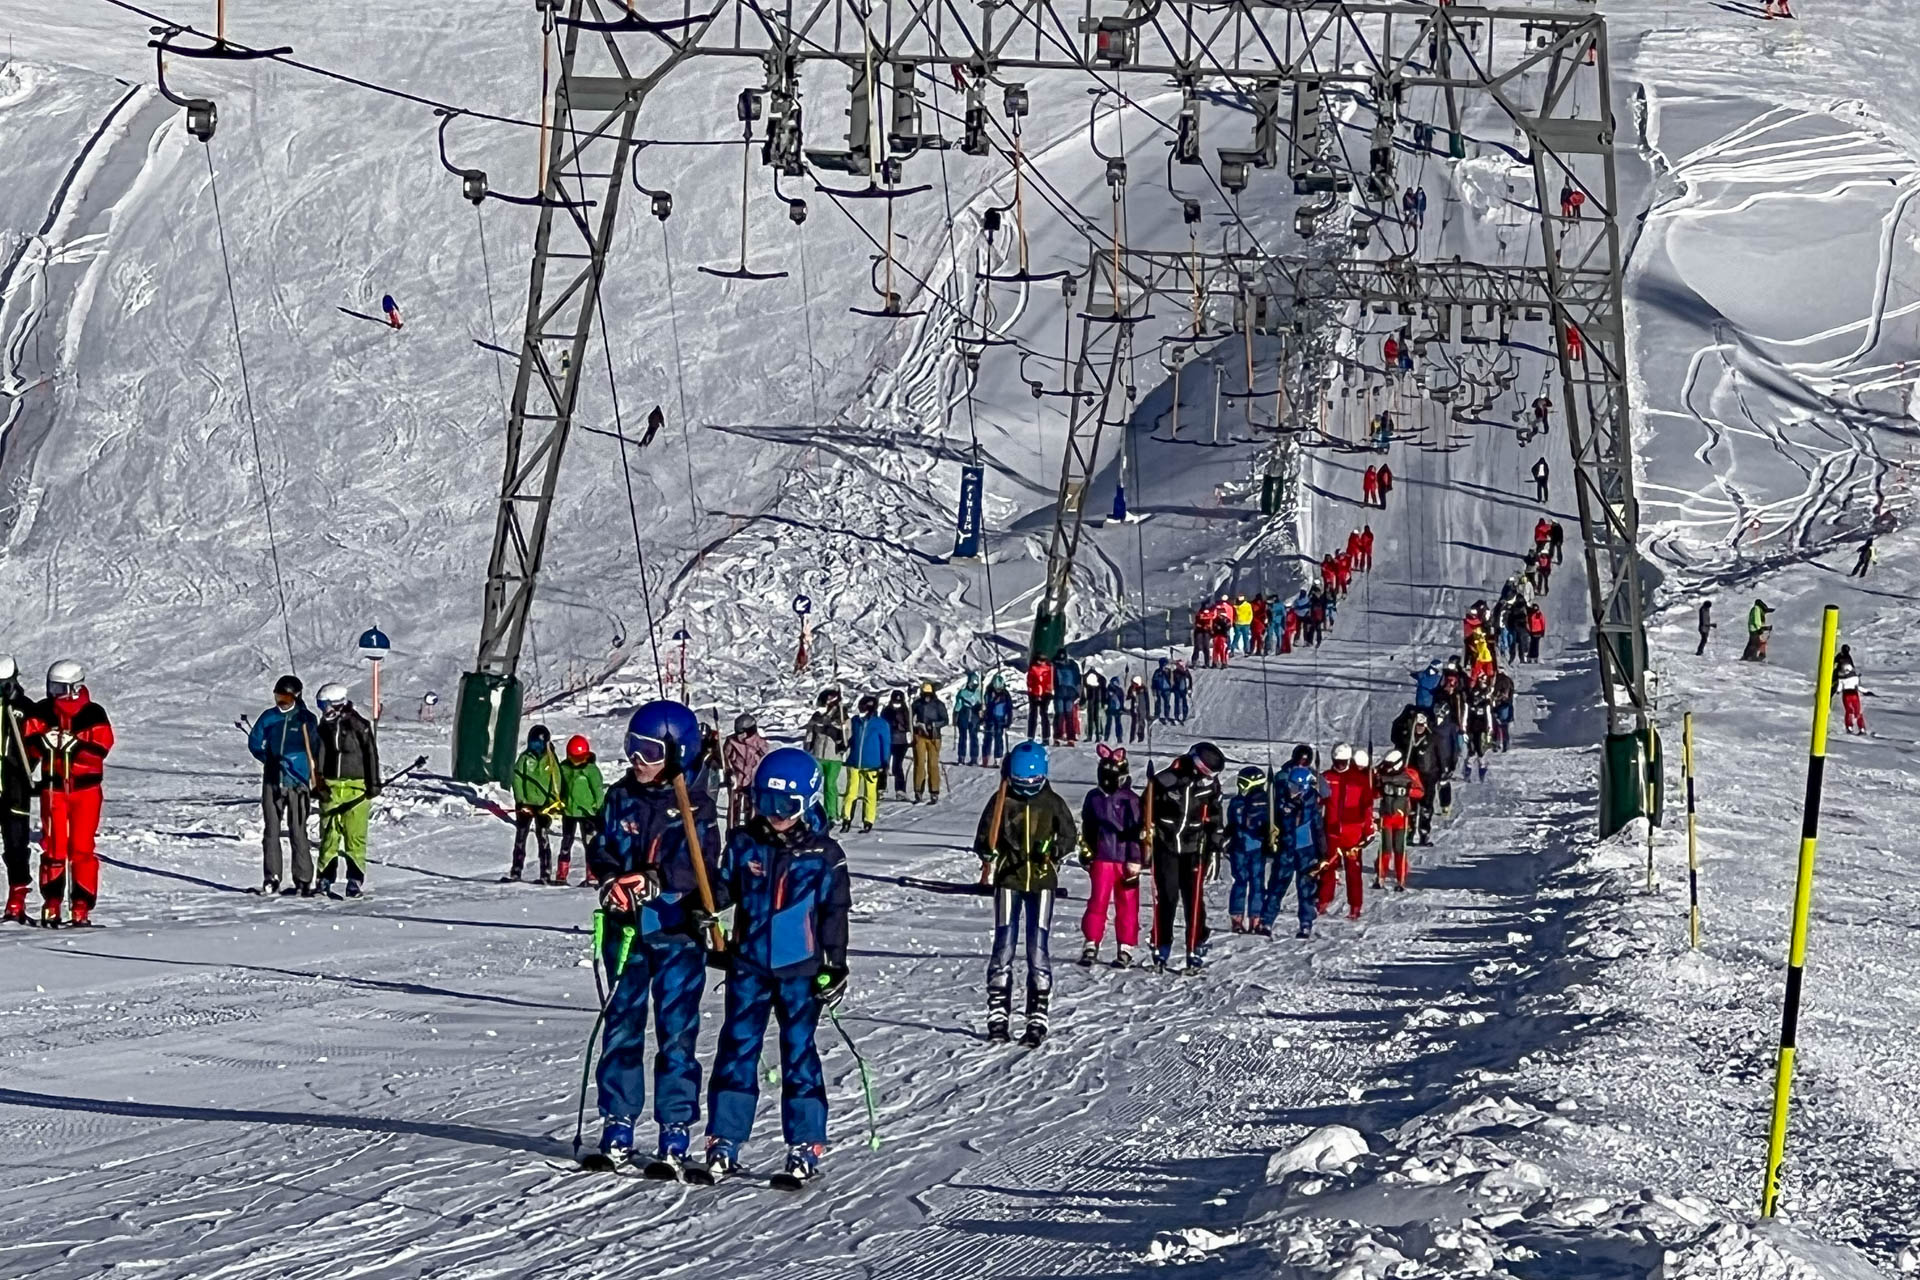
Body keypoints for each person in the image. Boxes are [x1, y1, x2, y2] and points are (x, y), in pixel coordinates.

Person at [703, 747, 851, 1184]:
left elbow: (834, 912)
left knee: (798, 1051)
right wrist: (704, 906)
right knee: (736, 1048)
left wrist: (835, 965)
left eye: (786, 807)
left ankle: (804, 1143)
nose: (775, 816)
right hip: (749, 964)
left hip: (800, 970)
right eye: (766, 804)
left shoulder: (824, 853)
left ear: (807, 804)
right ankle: (724, 1139)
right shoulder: (745, 842)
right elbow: (724, 888)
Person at [590, 699, 726, 1170]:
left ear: (676, 752)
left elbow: (701, 866)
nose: (637, 760)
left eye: (649, 751)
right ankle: (618, 1122)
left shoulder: (694, 805)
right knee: (622, 1024)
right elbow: (603, 847)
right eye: (633, 747)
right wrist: (610, 880)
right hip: (626, 932)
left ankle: (674, 1128)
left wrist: (656, 880)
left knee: (676, 1034)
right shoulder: (619, 797)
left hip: (675, 934)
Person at [975, 740, 1076, 1044]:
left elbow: (1070, 835)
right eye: (1021, 783)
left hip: (1043, 881)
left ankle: (1038, 1012)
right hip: (1009, 879)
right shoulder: (1002, 800)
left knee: (1037, 946)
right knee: (1004, 943)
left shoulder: (1051, 802)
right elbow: (983, 836)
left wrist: (1055, 850)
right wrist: (988, 852)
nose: (1027, 789)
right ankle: (997, 1011)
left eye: (1032, 782)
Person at [24, 661, 112, 927]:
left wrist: (75, 747)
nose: (54, 693)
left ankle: (81, 905)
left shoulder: (92, 713)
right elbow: (28, 744)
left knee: (82, 848)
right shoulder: (43, 711)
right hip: (54, 790)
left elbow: (101, 748)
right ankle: (52, 901)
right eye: (52, 687)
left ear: (75, 687)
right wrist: (41, 742)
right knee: (53, 846)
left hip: (85, 790)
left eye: (60, 688)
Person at [1147, 741, 1226, 971]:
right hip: (1167, 847)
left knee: (1193, 900)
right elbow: (1146, 807)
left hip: (1194, 849)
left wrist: (1215, 847)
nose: (1208, 778)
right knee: (1168, 897)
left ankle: (1195, 946)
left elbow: (1215, 817)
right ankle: (1161, 946)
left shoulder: (1210, 787)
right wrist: (1147, 830)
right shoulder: (1165, 780)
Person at [248, 674, 320, 897]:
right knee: (271, 830)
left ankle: (304, 879)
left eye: (286, 697)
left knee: (298, 831)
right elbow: (254, 741)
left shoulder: (306, 719)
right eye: (278, 696)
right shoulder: (269, 717)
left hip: (297, 780)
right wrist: (267, 759)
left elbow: (315, 748)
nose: (281, 701)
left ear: (296, 696)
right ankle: (272, 877)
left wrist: (309, 771)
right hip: (272, 780)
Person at [1078, 744, 1143, 967]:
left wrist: (1135, 859)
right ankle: (1091, 942)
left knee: (1127, 903)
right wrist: (1087, 851)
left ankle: (1125, 946)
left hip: (1125, 858)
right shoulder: (1094, 797)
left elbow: (1136, 831)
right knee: (1098, 900)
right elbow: (1088, 825)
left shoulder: (1130, 799)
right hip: (1102, 857)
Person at [314, 683, 380, 897]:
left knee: (354, 836)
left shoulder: (358, 725)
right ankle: (324, 878)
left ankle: (355, 879)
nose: (322, 711)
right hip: (332, 787)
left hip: (356, 787)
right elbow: (319, 757)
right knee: (329, 835)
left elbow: (371, 754)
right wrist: (319, 784)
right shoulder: (324, 727)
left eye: (323, 705)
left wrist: (373, 783)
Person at [1269, 746, 1326, 938]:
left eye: (1295, 788)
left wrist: (1322, 852)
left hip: (1306, 851)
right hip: (1286, 848)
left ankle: (1306, 923)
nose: (1291, 791)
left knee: (1305, 889)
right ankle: (1267, 921)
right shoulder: (1283, 792)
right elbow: (1274, 817)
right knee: (1277, 885)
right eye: (1290, 787)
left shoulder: (1311, 803)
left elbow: (1318, 829)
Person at [1320, 744, 1373, 920]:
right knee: (1328, 866)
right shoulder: (1327, 778)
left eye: (1343, 762)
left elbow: (1367, 806)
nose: (1340, 765)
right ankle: (1323, 900)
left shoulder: (1359, 779)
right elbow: (1318, 802)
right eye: (1337, 762)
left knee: (1353, 871)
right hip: (1332, 829)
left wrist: (1368, 829)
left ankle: (1355, 905)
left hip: (1353, 832)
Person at [0, 658, 35, 924]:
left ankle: (17, 898)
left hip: (15, 787)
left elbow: (38, 746)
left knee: (16, 844)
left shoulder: (25, 709)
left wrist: (24, 769)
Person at [508, 724, 564, 883]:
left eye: (539, 744)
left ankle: (545, 873)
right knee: (520, 839)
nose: (535, 747)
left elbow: (556, 782)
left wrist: (552, 803)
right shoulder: (525, 759)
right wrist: (521, 801)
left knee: (543, 838)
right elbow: (517, 779)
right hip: (526, 805)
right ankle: (516, 871)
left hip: (544, 806)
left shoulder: (551, 761)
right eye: (532, 743)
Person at [1226, 766, 1273, 934]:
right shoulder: (1236, 802)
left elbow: (1270, 824)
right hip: (1239, 848)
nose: (1240, 786)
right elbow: (1231, 824)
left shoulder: (1265, 802)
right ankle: (1237, 919)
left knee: (1257, 883)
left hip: (1257, 848)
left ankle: (1256, 918)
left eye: (1243, 783)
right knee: (1240, 881)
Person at [557, 734, 606, 887]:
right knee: (566, 842)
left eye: (581, 758)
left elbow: (598, 791)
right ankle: (561, 874)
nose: (579, 762)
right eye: (575, 758)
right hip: (569, 812)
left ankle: (592, 874)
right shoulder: (564, 768)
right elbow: (559, 786)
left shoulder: (591, 770)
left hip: (587, 814)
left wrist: (598, 808)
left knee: (590, 844)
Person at [1374, 749, 1423, 889]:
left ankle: (1400, 878)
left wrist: (1407, 791)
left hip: (1401, 817)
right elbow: (1375, 793)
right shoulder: (1382, 775)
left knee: (1399, 848)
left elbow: (1420, 792)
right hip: (1386, 816)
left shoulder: (1409, 775)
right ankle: (1380, 875)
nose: (1387, 768)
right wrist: (1376, 785)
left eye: (1390, 765)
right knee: (1385, 847)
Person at [841, 695, 890, 833]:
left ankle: (868, 820)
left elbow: (885, 744)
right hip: (855, 762)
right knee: (851, 792)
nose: (861, 710)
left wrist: (885, 762)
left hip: (873, 764)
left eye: (863, 707)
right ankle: (846, 819)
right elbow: (849, 737)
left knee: (870, 794)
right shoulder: (855, 721)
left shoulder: (881, 724)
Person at [722, 714, 771, 832]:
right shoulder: (731, 741)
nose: (740, 736)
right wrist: (728, 771)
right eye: (738, 733)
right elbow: (724, 758)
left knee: (752, 807)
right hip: (736, 779)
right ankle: (732, 831)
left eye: (743, 733)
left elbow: (766, 760)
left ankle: (751, 831)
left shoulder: (760, 743)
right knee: (734, 807)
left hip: (752, 780)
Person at [804, 689, 848, 820]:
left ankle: (832, 813)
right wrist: (807, 748)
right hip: (818, 755)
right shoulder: (817, 717)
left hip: (833, 756)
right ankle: (812, 811)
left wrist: (840, 731)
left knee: (830, 785)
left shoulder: (842, 717)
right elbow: (809, 733)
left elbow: (848, 735)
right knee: (813, 784)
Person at [1405, 714, 1442, 845]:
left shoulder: (1433, 739)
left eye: (1421, 725)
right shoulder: (1408, 739)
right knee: (1411, 807)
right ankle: (1409, 834)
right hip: (1412, 777)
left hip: (1429, 776)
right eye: (1417, 725)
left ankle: (1424, 834)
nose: (1419, 728)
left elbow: (1440, 756)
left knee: (1426, 807)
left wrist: (1442, 772)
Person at [910, 681, 948, 803]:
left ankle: (934, 791)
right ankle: (918, 790)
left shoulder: (939, 705)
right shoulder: (917, 704)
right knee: (919, 764)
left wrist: (934, 725)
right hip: (920, 736)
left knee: (933, 764)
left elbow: (945, 720)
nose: (927, 696)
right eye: (925, 694)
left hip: (934, 737)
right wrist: (915, 727)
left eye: (929, 694)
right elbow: (910, 717)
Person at [882, 690, 912, 797]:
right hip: (888, 740)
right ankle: (881, 787)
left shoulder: (906, 711)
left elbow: (909, 725)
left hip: (901, 742)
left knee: (897, 766)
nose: (897, 704)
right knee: (884, 764)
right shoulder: (886, 711)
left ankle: (900, 789)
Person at [1834, 645, 1867, 735]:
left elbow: (1839, 685)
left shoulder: (1842, 658)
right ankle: (1861, 727)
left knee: (1850, 710)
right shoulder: (1847, 659)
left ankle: (1850, 727)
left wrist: (1838, 690)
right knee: (1856, 710)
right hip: (1853, 693)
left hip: (1847, 693)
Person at [1052, 651, 1083, 746]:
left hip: (1067, 693)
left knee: (1066, 716)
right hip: (1064, 693)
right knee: (1061, 715)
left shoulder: (1059, 665)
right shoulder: (1058, 666)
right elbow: (1078, 680)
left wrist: (1079, 693)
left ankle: (1068, 737)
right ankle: (1060, 737)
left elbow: (1078, 680)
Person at [1464, 680, 1494, 778]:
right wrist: (1464, 728)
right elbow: (1465, 716)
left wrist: (1490, 729)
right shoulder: (1469, 704)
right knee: (1472, 751)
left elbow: (1489, 716)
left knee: (1481, 751)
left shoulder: (1485, 704)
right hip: (1471, 729)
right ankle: (1467, 772)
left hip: (1482, 730)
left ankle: (1482, 769)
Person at [953, 672, 984, 766]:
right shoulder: (962, 693)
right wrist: (955, 716)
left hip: (974, 716)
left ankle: (974, 758)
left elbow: (981, 706)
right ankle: (961, 757)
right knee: (963, 737)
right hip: (964, 715)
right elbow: (958, 705)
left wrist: (982, 715)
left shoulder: (978, 694)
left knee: (974, 737)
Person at [983, 673, 1014, 764]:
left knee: (998, 739)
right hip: (990, 718)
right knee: (988, 738)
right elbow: (987, 704)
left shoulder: (1005, 694)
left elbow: (1009, 708)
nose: (998, 690)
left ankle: (998, 759)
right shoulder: (989, 693)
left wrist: (1009, 720)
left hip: (1000, 718)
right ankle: (986, 757)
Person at [1025, 656, 1054, 743]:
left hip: (1042, 693)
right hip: (1037, 693)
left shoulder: (1047, 669)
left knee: (1041, 715)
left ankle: (1041, 737)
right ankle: (1035, 737)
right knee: (1036, 714)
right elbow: (1030, 681)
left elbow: (1049, 681)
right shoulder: (1046, 668)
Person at [1492, 671, 1516, 752]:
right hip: (1505, 705)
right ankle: (1504, 743)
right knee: (1503, 725)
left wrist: (1496, 698)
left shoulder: (1500, 681)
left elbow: (1504, 694)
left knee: (1498, 724)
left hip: (1501, 705)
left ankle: (1498, 743)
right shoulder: (1508, 680)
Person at [1101, 672, 1125, 742]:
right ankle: (1107, 737)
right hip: (1110, 709)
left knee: (1117, 724)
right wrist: (1105, 705)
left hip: (1117, 709)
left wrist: (1121, 708)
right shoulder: (1108, 690)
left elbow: (1121, 700)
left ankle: (1119, 737)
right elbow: (1105, 698)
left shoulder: (1119, 690)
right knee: (1109, 723)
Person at [1126, 676, 1148, 742]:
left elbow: (1147, 700)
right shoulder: (1131, 688)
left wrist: (1147, 710)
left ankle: (1140, 737)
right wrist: (1131, 694)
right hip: (1134, 708)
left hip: (1142, 707)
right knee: (1134, 723)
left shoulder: (1143, 688)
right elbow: (1128, 697)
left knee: (1141, 722)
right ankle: (1132, 737)